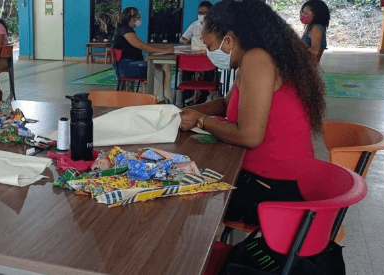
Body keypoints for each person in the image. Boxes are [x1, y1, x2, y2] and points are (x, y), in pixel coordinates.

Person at [179, 0, 326, 225]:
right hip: (279, 178)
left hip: (275, 189)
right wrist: (182, 111)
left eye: (210, 47)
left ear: (228, 40)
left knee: (181, 194)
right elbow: (225, 104)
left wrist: (201, 121)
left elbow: (250, 136)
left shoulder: (256, 59)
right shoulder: (258, 55)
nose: (209, 53)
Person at [111, 7, 173, 80]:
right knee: (157, 70)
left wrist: (164, 47)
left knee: (158, 67)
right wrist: (165, 51)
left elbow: (143, 44)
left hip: (126, 65)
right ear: (132, 19)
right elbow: (141, 46)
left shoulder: (123, 29)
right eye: (138, 18)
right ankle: (153, 91)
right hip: (127, 66)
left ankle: (150, 90)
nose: (139, 20)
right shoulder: (125, 30)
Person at [179, 1, 215, 105]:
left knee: (210, 72)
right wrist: (191, 41)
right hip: (194, 58)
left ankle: (204, 97)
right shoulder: (195, 25)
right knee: (186, 70)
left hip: (209, 59)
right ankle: (187, 97)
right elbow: (182, 39)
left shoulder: (216, 27)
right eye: (200, 12)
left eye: (205, 13)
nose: (202, 15)